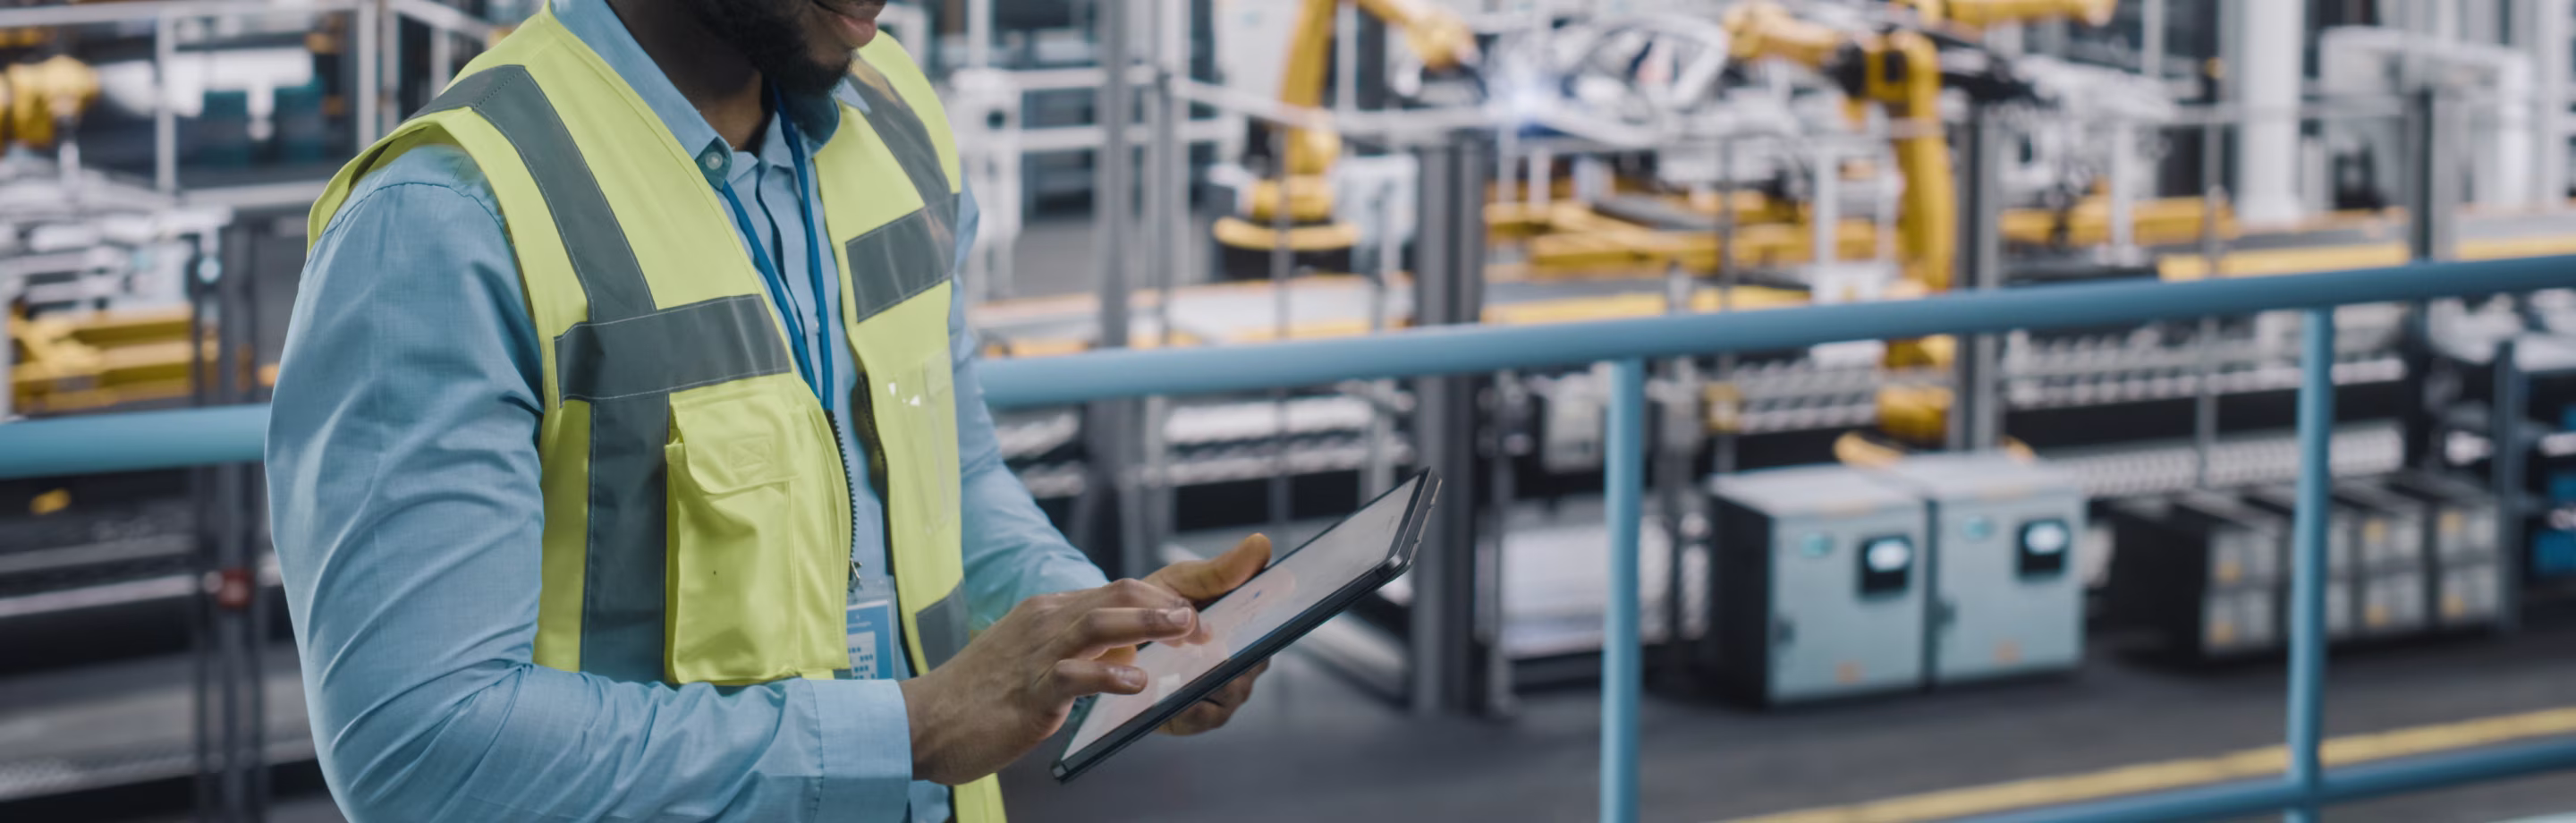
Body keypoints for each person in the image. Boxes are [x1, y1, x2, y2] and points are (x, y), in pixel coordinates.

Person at [265, 1, 1268, 820]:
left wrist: (1096, 628)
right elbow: (420, 745)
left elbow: (950, 484)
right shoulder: (442, 218)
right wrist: (910, 730)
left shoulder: (893, 114)